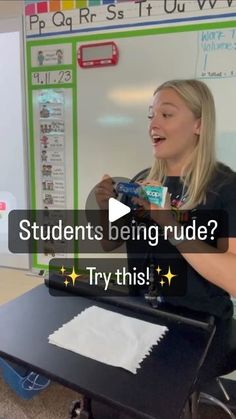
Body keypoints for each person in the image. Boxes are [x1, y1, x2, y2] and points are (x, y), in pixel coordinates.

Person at [95, 79, 236, 418]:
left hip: (201, 326)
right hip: (142, 313)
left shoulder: (226, 188)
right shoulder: (143, 180)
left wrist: (170, 225)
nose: (153, 125)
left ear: (199, 124)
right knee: (102, 391)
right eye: (151, 115)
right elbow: (111, 240)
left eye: (166, 114)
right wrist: (105, 207)